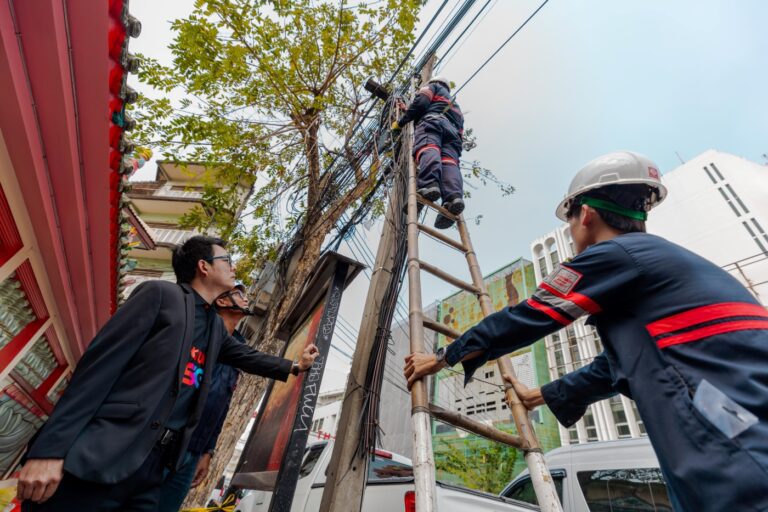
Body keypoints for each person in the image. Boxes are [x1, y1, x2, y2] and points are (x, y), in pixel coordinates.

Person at [404, 151, 768, 512]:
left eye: (570, 220)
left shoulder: (615, 255)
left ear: (587, 216)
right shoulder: (661, 265)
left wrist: (440, 357)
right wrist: (538, 396)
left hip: (735, 442)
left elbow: (530, 315)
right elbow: (614, 367)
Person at [17, 236, 319, 510]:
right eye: (226, 260)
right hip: (104, 455)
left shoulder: (214, 326)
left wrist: (294, 365)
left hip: (154, 470)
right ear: (203, 266)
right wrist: (49, 450)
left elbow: (246, 356)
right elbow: (97, 369)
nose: (233, 267)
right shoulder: (160, 296)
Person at [157, 282, 251, 511]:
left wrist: (207, 451)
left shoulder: (239, 348)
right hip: (165, 441)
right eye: (239, 294)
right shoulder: (198, 334)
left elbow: (222, 405)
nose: (246, 299)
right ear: (221, 301)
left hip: (194, 452)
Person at [392, 75, 465, 229]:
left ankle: (429, 184)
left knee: (428, 147)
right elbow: (460, 132)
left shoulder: (433, 87)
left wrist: (401, 122)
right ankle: (453, 198)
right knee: (449, 163)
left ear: (435, 83)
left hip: (433, 122)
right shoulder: (456, 107)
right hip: (453, 136)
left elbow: (421, 103)